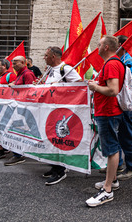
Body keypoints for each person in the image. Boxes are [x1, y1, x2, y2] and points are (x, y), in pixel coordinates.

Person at [86, 35, 125, 207]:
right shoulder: (113, 63)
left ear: (107, 47)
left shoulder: (111, 64)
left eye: (100, 44)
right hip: (108, 111)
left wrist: (95, 87)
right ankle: (113, 180)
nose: (98, 46)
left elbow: (112, 90)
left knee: (111, 149)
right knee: (111, 147)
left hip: (108, 112)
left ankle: (107, 190)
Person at [41, 46, 82, 185]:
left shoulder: (66, 69)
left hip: (61, 112)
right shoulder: (49, 70)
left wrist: (60, 87)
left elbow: (79, 85)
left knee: (59, 140)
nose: (44, 58)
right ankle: (54, 166)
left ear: (53, 56)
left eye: (46, 55)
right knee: (51, 138)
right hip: (50, 110)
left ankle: (61, 170)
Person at [113, 35, 132, 181]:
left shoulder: (129, 62)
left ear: (121, 45)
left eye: (116, 44)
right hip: (121, 105)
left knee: (127, 136)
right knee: (119, 136)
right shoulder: (122, 60)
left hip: (126, 106)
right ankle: (118, 165)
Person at [4, 56, 36, 166]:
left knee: (18, 131)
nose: (13, 66)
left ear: (23, 63)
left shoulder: (27, 74)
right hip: (18, 107)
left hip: (24, 108)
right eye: (12, 63)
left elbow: (31, 91)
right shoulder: (20, 74)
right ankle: (17, 154)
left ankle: (18, 155)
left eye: (15, 63)